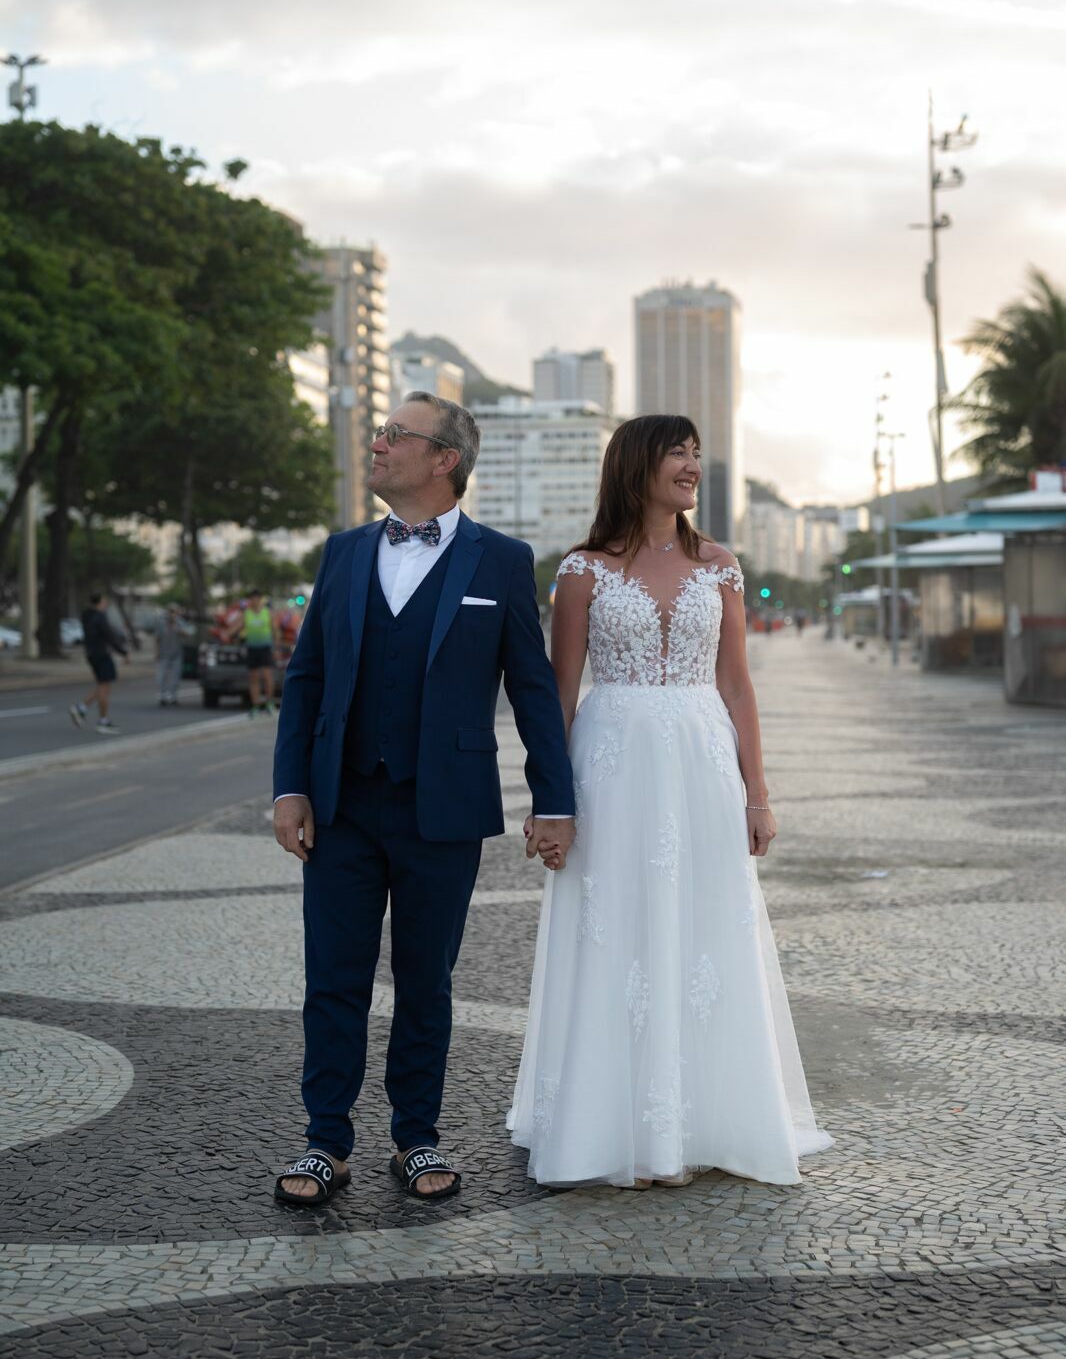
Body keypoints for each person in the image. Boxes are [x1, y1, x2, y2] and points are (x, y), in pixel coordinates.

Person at [508, 415, 833, 1189]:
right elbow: (558, 694)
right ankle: (609, 1122)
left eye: (695, 453)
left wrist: (759, 792)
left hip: (701, 761)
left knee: (705, 931)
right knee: (612, 928)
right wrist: (549, 800)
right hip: (611, 764)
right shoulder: (581, 571)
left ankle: (705, 1118)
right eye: (676, 453)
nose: (691, 465)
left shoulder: (721, 565)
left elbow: (737, 684)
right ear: (636, 466)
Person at [271, 391, 575, 1208]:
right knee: (332, 979)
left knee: (426, 980)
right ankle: (324, 1143)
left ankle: (417, 1137)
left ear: (445, 460)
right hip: (339, 805)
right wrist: (290, 786)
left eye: (395, 434)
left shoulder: (503, 560)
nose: (377, 443)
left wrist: (555, 799)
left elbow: (534, 690)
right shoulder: (339, 554)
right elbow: (305, 683)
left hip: (442, 805)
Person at [69, 593, 128, 736]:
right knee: (104, 687)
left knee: (103, 684)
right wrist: (123, 652)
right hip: (102, 654)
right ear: (100, 602)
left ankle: (82, 708)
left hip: (91, 654)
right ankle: (102, 720)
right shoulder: (100, 617)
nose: (106, 603)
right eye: (105, 600)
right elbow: (109, 635)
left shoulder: (86, 616)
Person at [242, 588, 276, 715]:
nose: (254, 601)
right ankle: (256, 705)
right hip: (252, 648)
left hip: (265, 648)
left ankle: (269, 703)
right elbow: (236, 627)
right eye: (252, 599)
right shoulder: (246, 613)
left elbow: (274, 629)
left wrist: (276, 645)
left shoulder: (267, 612)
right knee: (254, 678)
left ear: (260, 599)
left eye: (256, 598)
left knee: (267, 677)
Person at [155, 603, 189, 707]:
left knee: (175, 676)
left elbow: (188, 633)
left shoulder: (180, 623)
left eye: (174, 611)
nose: (172, 614)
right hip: (164, 653)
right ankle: (162, 696)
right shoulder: (161, 623)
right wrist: (156, 652)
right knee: (161, 676)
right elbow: (157, 638)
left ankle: (173, 696)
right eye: (171, 611)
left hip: (177, 653)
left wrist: (178, 629)